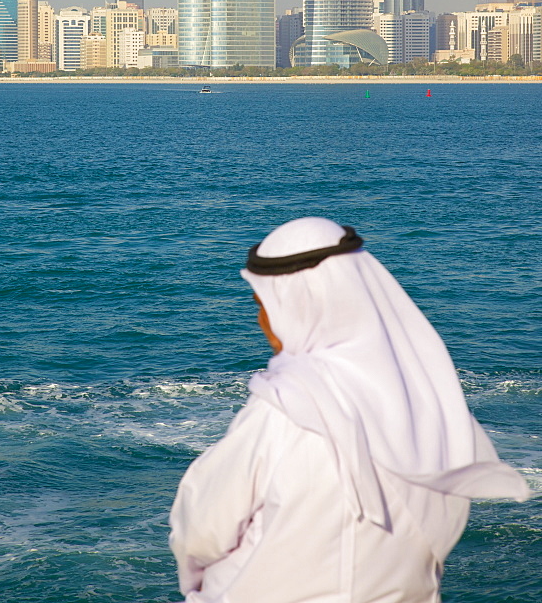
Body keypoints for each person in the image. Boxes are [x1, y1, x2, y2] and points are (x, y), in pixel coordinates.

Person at [169, 217, 529, 603]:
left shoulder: (283, 409)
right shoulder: (431, 405)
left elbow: (203, 530)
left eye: (265, 305)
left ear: (296, 307)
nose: (262, 322)